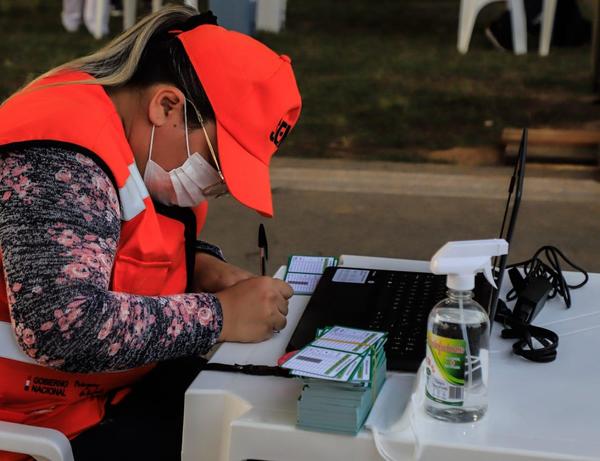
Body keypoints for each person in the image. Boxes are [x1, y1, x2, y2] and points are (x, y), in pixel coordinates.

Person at [0, 6, 301, 460]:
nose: (219, 187)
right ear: (166, 106)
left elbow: (103, 240)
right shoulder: (59, 158)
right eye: (219, 163)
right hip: (34, 425)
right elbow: (60, 326)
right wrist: (219, 316)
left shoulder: (137, 141)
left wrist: (197, 265)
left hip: (95, 398)